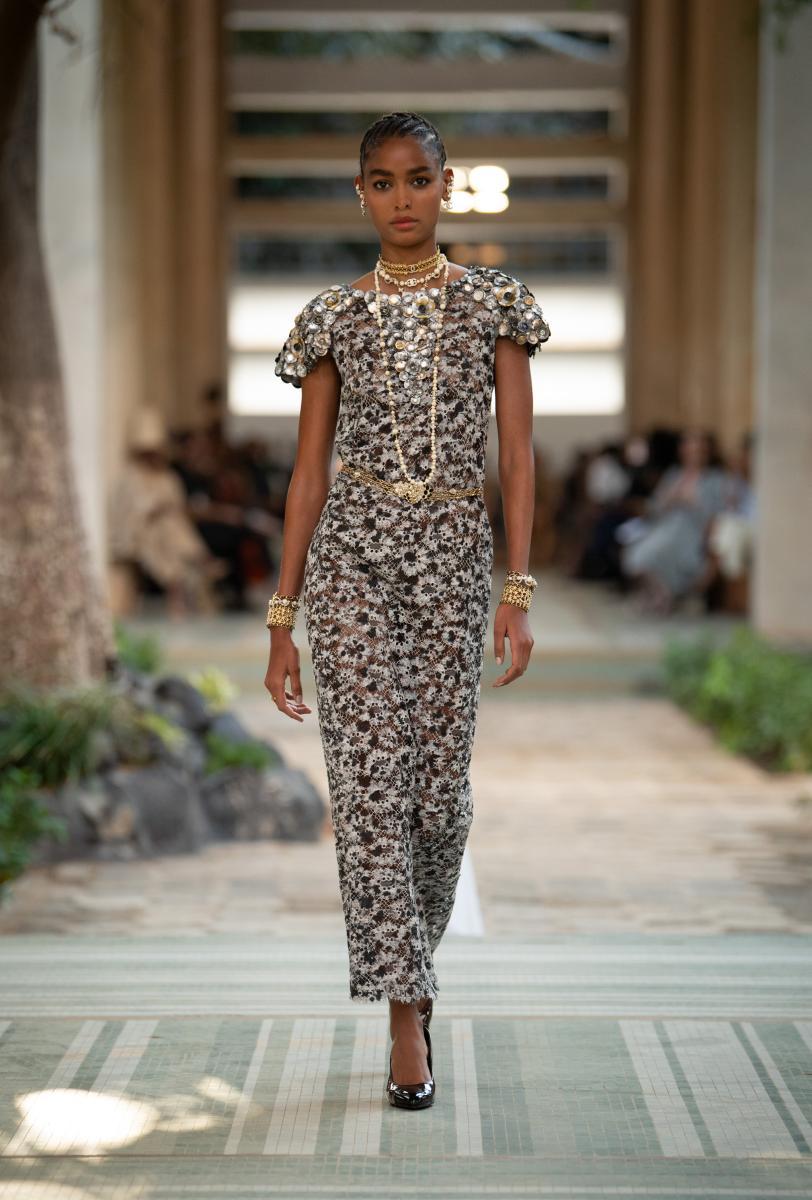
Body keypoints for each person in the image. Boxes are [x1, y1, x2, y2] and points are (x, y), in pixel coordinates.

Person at [264, 111, 550, 1111]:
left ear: (446, 185)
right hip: (350, 561)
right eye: (381, 182)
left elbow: (516, 456)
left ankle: (414, 967)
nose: (401, 199)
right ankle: (401, 1011)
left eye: (418, 179)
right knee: (368, 790)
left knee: (437, 793)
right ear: (360, 194)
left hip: (452, 561)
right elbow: (307, 475)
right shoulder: (330, 316)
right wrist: (282, 617)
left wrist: (516, 589)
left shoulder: (496, 305)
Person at [619, 427, 731, 613]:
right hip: (665, 526)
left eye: (699, 450)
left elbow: (717, 514)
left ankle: (666, 595)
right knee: (635, 548)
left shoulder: (716, 479)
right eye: (690, 449)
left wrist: (692, 502)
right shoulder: (674, 475)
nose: (694, 454)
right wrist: (670, 499)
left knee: (661, 550)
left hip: (693, 531)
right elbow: (654, 507)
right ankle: (656, 592)